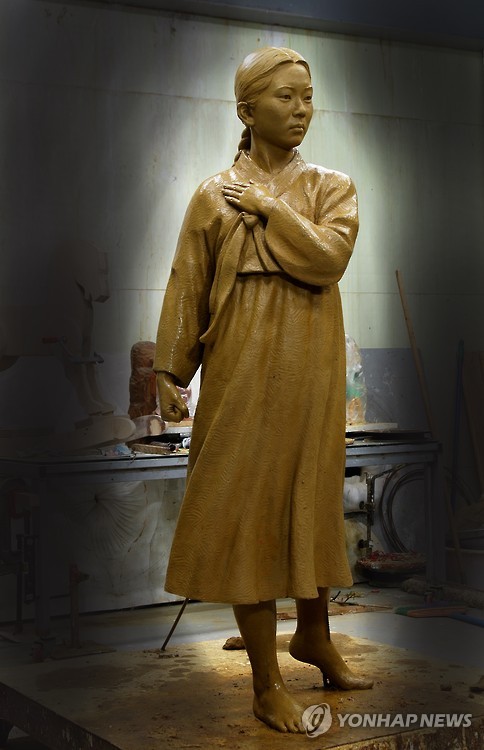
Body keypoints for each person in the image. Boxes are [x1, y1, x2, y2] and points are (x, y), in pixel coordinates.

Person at [154, 46, 372, 733]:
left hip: (310, 367)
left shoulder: (331, 187)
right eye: (285, 96)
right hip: (242, 370)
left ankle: (315, 635)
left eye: (308, 95)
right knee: (246, 504)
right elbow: (187, 284)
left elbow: (328, 258)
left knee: (310, 494)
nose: (302, 109)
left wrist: (270, 208)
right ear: (247, 110)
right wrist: (169, 370)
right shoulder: (212, 196)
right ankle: (265, 682)